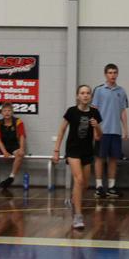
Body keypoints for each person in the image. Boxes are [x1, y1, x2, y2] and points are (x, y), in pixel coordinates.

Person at [52, 85, 103, 230]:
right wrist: (56, 150)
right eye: (82, 93)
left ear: (91, 96)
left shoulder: (94, 113)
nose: (85, 95)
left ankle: (73, 200)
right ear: (77, 96)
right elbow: (62, 130)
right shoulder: (71, 111)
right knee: (79, 180)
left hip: (87, 151)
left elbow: (99, 137)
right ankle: (78, 216)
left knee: (85, 185)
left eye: (88, 93)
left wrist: (97, 126)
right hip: (73, 151)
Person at [91, 63, 129, 198]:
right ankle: (99, 187)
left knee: (113, 159)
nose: (112, 75)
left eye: (114, 72)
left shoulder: (121, 91)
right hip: (102, 131)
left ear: (117, 74)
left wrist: (125, 129)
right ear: (105, 74)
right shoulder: (99, 90)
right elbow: (94, 110)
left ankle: (111, 187)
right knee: (100, 158)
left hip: (116, 131)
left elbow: (123, 111)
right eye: (110, 72)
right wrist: (95, 130)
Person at [0, 102, 27, 189]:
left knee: (20, 153)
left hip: (13, 145)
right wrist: (4, 152)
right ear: (1, 112)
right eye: (4, 111)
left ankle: (11, 178)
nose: (7, 113)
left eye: (9, 110)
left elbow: (22, 136)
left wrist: (22, 149)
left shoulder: (18, 122)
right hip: (2, 145)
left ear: (12, 112)